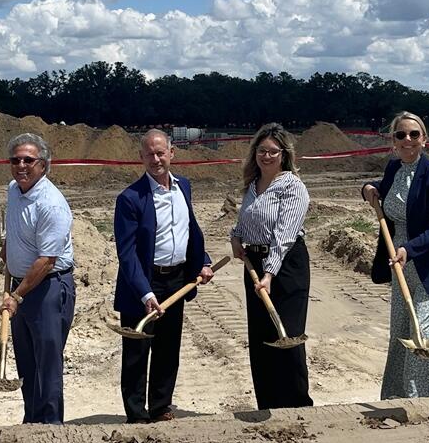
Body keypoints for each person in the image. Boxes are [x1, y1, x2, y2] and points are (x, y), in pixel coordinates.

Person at [362, 111, 429, 399]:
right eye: (400, 135)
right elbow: (381, 191)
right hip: (401, 265)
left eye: (413, 134)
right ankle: (395, 398)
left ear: (424, 139)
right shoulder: (394, 168)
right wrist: (367, 188)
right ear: (392, 141)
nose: (407, 140)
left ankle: (423, 403)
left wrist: (409, 248)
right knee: (400, 333)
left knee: (420, 334)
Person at [113, 129, 213, 423]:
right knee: (137, 351)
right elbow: (127, 253)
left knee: (168, 348)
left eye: (160, 153)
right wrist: (145, 293)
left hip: (176, 280)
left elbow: (189, 231)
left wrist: (202, 262)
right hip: (142, 283)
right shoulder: (130, 198)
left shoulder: (184, 187)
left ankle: (160, 407)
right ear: (141, 157)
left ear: (172, 153)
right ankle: (135, 414)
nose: (156, 159)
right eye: (149, 154)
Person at [230, 123, 313, 410]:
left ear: (284, 154)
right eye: (261, 151)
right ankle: (267, 403)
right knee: (261, 337)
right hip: (254, 264)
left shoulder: (293, 187)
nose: (266, 156)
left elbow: (284, 236)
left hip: (286, 267)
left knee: (286, 336)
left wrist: (269, 274)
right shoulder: (252, 186)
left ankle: (297, 405)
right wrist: (236, 237)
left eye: (272, 152)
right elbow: (245, 222)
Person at [0, 133, 76, 425]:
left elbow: (47, 260)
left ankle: (51, 425)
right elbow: (16, 226)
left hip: (48, 288)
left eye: (28, 160)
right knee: (27, 362)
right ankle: (32, 421)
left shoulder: (51, 203)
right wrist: (9, 246)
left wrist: (16, 297)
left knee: (47, 363)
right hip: (23, 284)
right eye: (15, 160)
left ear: (43, 165)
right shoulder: (14, 190)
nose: (21, 166)